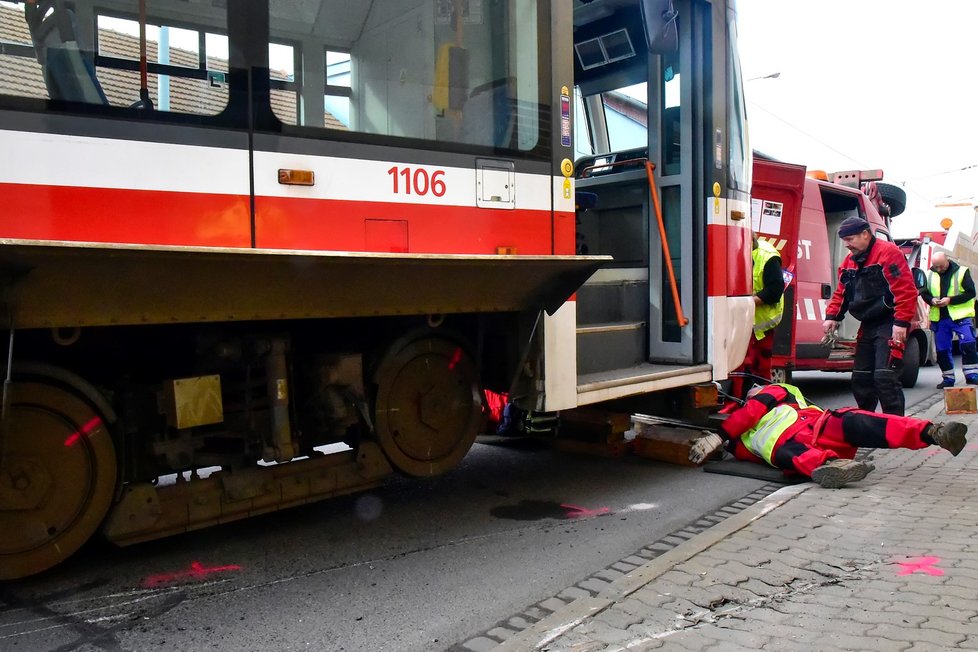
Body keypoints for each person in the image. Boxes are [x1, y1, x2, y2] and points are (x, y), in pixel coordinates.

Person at [689, 383, 968, 488]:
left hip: (815, 427)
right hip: (802, 439)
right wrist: (723, 444)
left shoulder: (774, 393)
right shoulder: (744, 440)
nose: (751, 393)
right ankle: (834, 466)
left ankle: (933, 432)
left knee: (860, 421)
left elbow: (750, 412)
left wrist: (720, 436)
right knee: (861, 425)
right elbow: (743, 450)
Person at [821, 216, 918, 415]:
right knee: (861, 378)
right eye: (844, 241)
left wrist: (900, 323)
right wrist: (832, 316)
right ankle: (868, 422)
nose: (847, 245)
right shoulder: (849, 262)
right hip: (868, 323)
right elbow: (842, 292)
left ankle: (895, 425)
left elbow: (905, 290)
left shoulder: (888, 253)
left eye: (850, 239)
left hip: (889, 321)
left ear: (865, 234)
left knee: (885, 376)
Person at [731, 235, 785, 399]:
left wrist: (747, 303)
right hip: (741, 320)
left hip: (761, 324)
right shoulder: (735, 253)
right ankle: (739, 400)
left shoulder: (767, 256)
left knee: (758, 368)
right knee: (739, 366)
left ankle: (760, 403)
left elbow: (775, 291)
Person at [919, 251, 978, 388]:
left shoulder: (962, 272)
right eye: (936, 267)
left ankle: (972, 375)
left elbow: (971, 293)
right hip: (940, 318)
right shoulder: (929, 274)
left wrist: (950, 300)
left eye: (941, 266)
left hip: (961, 316)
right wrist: (931, 300)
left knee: (968, 344)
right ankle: (948, 378)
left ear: (948, 261)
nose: (938, 269)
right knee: (942, 350)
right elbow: (924, 293)